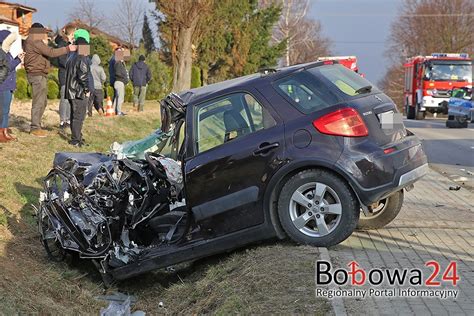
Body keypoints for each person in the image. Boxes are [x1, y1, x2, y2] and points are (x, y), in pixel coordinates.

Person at [24, 22, 75, 137]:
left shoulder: (33, 40)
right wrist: (67, 49)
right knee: (39, 102)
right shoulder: (35, 41)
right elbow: (51, 52)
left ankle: (37, 125)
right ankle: (35, 128)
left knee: (43, 101)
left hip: (39, 73)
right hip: (36, 74)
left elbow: (47, 52)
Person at [65, 36, 90, 147]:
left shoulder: (71, 57)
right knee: (78, 116)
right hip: (78, 91)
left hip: (71, 90)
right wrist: (87, 89)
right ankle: (76, 140)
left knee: (74, 115)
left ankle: (77, 137)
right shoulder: (81, 58)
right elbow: (83, 76)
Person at [0, 31, 23, 143]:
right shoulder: (2, 53)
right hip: (3, 87)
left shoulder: (7, 53)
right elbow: (7, 68)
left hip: (8, 86)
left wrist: (17, 58)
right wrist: (18, 60)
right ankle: (1, 133)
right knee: (4, 110)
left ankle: (4, 131)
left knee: (6, 110)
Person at [53, 25, 76, 130]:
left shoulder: (70, 44)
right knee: (64, 99)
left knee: (70, 99)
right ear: (71, 34)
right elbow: (62, 61)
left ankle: (68, 119)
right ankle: (63, 121)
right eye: (74, 34)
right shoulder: (62, 45)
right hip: (64, 75)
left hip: (71, 75)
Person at [114, 50, 128, 116]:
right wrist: (124, 78)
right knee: (120, 98)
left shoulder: (118, 63)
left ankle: (114, 110)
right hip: (120, 82)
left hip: (118, 82)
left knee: (117, 98)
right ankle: (119, 112)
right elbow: (118, 73)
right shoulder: (119, 63)